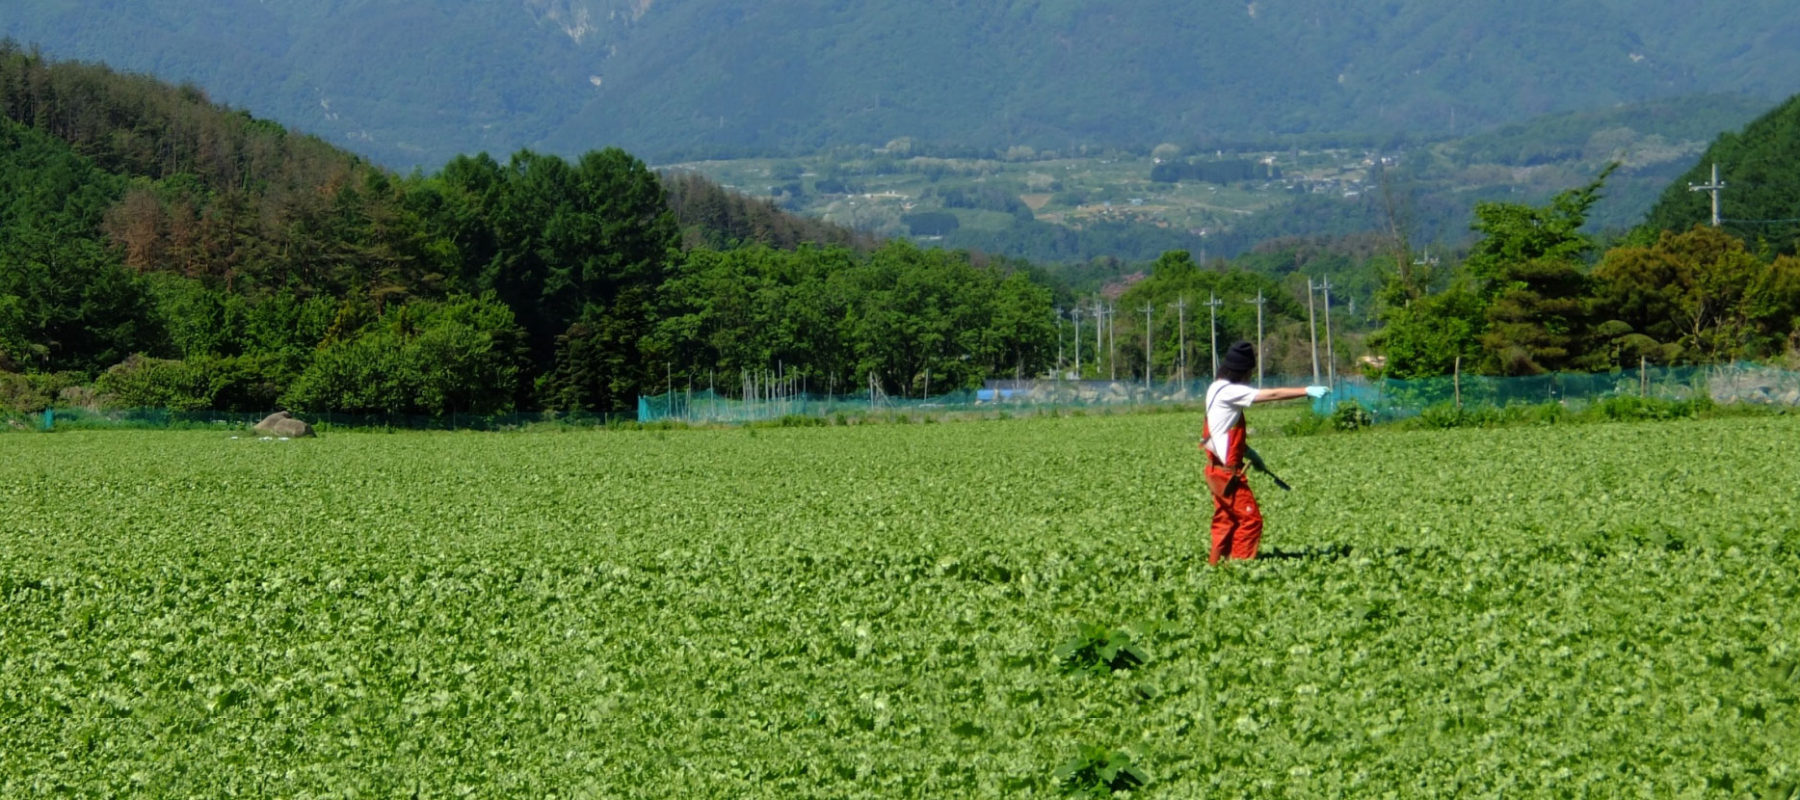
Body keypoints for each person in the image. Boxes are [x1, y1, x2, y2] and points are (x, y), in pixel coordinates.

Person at [1202, 341, 1329, 564]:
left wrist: (1250, 454)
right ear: (1242, 371)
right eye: (1249, 372)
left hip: (1216, 470)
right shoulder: (1230, 391)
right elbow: (1272, 395)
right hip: (1227, 475)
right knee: (1251, 520)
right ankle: (1239, 567)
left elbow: (1221, 431)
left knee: (1226, 521)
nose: (1250, 377)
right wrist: (1305, 390)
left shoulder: (1215, 387)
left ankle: (1216, 566)